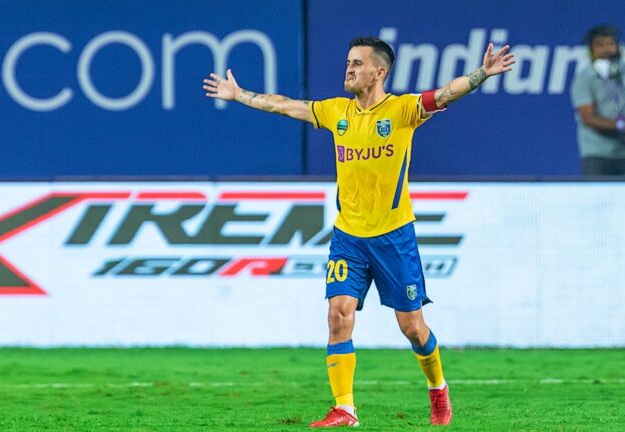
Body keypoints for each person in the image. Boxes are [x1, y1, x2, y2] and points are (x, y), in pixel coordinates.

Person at [204, 36, 514, 427]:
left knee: (413, 328)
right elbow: (286, 105)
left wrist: (482, 73)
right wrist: (239, 95)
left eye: (357, 63)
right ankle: (345, 408)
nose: (348, 69)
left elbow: (445, 93)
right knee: (338, 315)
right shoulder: (336, 111)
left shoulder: (402, 110)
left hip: (394, 237)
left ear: (379, 72)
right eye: (348, 62)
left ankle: (438, 389)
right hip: (348, 236)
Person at [571, 25, 625, 176]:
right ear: (591, 50)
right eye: (600, 45)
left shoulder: (622, 73)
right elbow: (588, 118)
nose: (606, 49)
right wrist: (620, 125)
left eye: (610, 44)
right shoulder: (584, 78)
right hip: (597, 152)